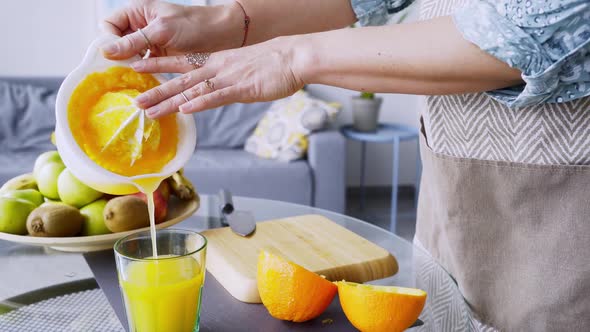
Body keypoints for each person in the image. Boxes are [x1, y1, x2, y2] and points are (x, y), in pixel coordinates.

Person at [102, 0, 590, 330]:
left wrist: (291, 57)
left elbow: (529, 29)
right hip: (454, 204)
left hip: (561, 220)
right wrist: (225, 18)